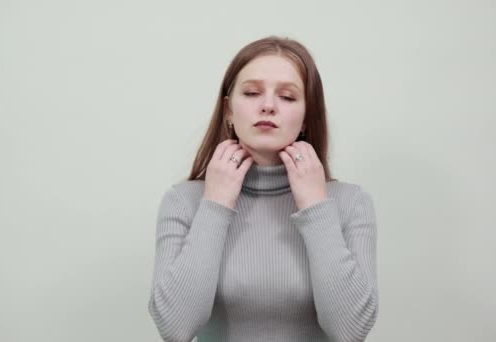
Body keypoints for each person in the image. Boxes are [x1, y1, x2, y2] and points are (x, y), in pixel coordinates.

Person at [148, 36, 379, 342]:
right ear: (228, 111)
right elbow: (175, 328)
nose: (268, 106)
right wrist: (215, 204)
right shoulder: (184, 201)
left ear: (307, 117)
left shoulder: (351, 203)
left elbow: (350, 330)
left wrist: (315, 207)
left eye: (287, 96)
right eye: (252, 92)